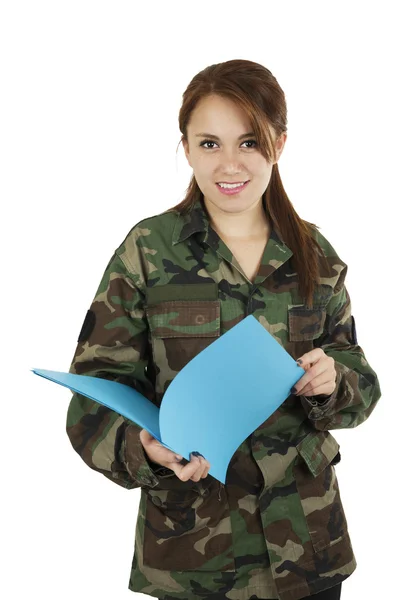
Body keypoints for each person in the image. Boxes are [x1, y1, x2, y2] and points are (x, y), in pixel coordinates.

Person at [65, 59, 381, 600]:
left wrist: (334, 381)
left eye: (249, 142)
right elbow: (92, 399)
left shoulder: (315, 254)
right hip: (194, 555)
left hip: (306, 548)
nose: (228, 163)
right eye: (209, 143)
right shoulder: (148, 250)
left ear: (279, 144)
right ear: (185, 148)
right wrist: (141, 448)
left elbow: (361, 384)